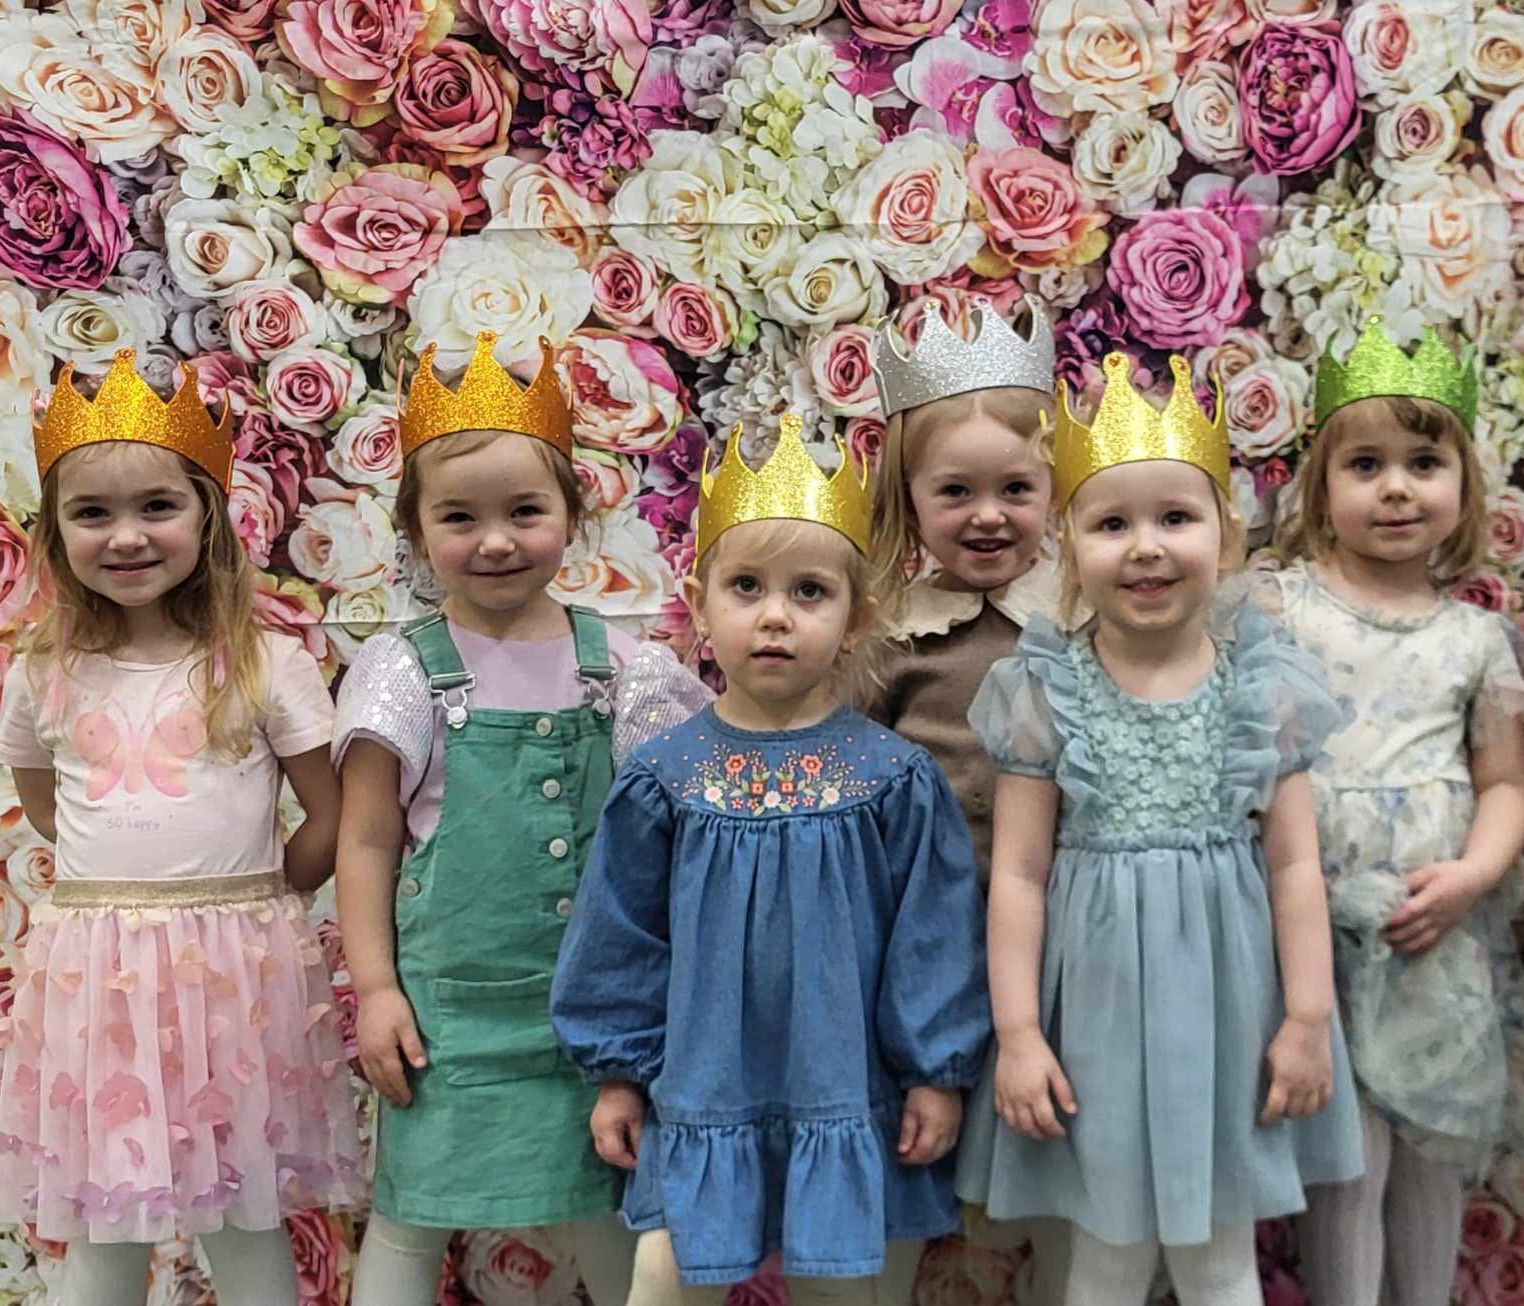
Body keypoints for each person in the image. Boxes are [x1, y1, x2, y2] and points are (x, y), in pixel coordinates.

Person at [552, 413, 991, 1306]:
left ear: (856, 616)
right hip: (703, 1093)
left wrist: (934, 1074)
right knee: (664, 1277)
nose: (775, 616)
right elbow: (621, 936)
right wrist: (620, 1076)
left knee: (842, 1287)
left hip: (844, 1089)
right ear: (700, 601)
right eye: (746, 587)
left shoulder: (893, 778)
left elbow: (935, 938)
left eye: (809, 592)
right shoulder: (665, 779)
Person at [954, 353, 1363, 1306]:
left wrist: (1308, 1019)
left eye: (1175, 518)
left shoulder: (1262, 683)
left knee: (1221, 1259)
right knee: (1107, 1258)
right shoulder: (1043, 689)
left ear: (1227, 532)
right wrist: (1019, 1034)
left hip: (1231, 1009)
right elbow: (1018, 875)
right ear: (1067, 547)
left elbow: (1295, 867)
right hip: (1095, 1016)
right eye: (1111, 524)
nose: (1145, 547)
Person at [333, 331, 711, 1305]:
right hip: (447, 1014)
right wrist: (375, 988)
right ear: (416, 532)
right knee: (413, 1211)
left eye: (524, 511)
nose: (495, 540)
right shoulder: (404, 671)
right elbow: (365, 840)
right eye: (459, 517)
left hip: (591, 1013)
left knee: (604, 1200)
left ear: (572, 515)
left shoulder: (620, 669)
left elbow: (670, 838)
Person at [0, 352, 359, 1306]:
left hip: (236, 976)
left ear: (208, 515)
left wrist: (260, 901)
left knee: (246, 1216)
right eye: (91, 513)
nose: (126, 536)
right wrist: (121, 896)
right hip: (99, 979)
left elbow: (330, 811)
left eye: (157, 506)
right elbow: (48, 805)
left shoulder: (265, 663)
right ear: (54, 530)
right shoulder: (43, 670)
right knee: (105, 1218)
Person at [1249, 318, 1524, 1306]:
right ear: (1320, 487)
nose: (1397, 489)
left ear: (1463, 485)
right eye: (1365, 465)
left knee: (1429, 1160)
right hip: (1313, 932)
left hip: (1429, 932)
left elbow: (1506, 783)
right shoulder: (1283, 607)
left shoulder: (1474, 640)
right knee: (1348, 1162)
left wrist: (1473, 875)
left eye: (1423, 463)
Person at [864, 296, 1077, 1306]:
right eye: (955, 491)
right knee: (909, 1141)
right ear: (908, 500)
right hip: (925, 934)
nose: (987, 515)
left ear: (1054, 489)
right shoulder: (888, 636)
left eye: (1015, 489)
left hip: (1061, 927)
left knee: (1060, 1139)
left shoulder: (1081, 618)